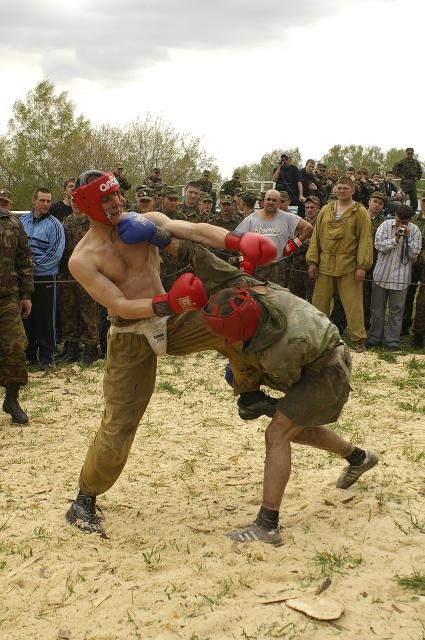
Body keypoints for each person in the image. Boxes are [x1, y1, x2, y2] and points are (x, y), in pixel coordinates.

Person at [64, 170, 278, 533]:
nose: (117, 202)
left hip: (175, 319)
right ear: (86, 206)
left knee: (237, 319)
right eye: (106, 199)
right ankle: (84, 498)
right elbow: (119, 303)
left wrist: (238, 240)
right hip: (132, 333)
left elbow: (194, 231)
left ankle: (249, 393)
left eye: (116, 194)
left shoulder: (145, 222)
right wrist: (170, 302)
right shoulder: (83, 258)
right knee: (120, 422)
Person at [202, 282, 378, 545]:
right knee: (295, 427)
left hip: (327, 373)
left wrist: (252, 394)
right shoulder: (259, 290)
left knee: (278, 433)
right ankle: (359, 458)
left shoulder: (281, 351)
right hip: (318, 356)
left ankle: (267, 526)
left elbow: (288, 381)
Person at [306, 177, 373, 352]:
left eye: (345, 188)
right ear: (335, 189)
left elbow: (365, 240)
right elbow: (316, 237)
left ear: (353, 191)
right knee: (319, 302)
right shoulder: (326, 210)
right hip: (325, 264)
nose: (341, 191)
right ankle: (318, 337)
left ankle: (358, 340)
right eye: (339, 188)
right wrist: (312, 261)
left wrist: (361, 266)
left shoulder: (360, 212)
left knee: (353, 304)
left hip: (349, 264)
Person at [20, 188, 65, 369]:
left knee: (46, 317)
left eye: (48, 201)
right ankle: (30, 355)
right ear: (34, 201)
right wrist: (22, 267)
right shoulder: (22, 222)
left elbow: (55, 253)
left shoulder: (55, 225)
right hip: (24, 279)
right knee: (26, 317)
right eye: (42, 200)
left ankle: (47, 357)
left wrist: (32, 265)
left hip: (46, 277)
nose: (45, 204)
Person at [366, 205, 421, 351]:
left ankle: (392, 342)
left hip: (401, 278)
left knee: (396, 312)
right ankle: (374, 338)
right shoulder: (384, 225)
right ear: (395, 215)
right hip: (381, 275)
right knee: (376, 310)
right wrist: (395, 238)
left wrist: (407, 238)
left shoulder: (415, 230)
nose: (401, 225)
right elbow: (378, 246)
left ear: (409, 220)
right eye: (399, 221)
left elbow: (415, 253)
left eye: (404, 222)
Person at [0, 188, 34, 424]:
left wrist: (26, 294)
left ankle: (11, 399)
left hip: (8, 299)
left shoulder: (13, 223)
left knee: (16, 348)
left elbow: (24, 259)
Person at [234, 189, 312, 286]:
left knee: (278, 297)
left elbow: (308, 227)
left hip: (278, 265)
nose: (271, 202)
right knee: (257, 296)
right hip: (258, 266)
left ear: (279, 203)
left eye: (274, 200)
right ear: (264, 201)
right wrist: (243, 260)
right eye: (268, 199)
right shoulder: (252, 218)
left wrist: (295, 243)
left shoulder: (287, 217)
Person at [57, 199, 100, 364]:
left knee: (89, 310)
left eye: (79, 202)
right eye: (73, 201)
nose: (76, 204)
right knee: (69, 310)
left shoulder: (91, 221)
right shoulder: (65, 221)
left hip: (88, 272)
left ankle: (91, 348)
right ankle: (72, 347)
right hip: (67, 273)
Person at [288, 195, 320, 302]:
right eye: (307, 208)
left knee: (313, 301)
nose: (309, 210)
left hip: (313, 267)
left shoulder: (322, 225)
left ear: (318, 208)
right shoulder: (299, 223)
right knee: (295, 300)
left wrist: (300, 242)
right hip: (296, 267)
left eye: (312, 207)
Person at [393, 148, 423, 213]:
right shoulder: (402, 162)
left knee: (414, 200)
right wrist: (401, 176)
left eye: (411, 153)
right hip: (404, 184)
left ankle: (412, 214)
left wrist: (417, 177)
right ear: (406, 154)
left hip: (413, 184)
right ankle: (401, 213)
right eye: (408, 153)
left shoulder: (416, 162)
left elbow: (420, 170)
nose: (410, 155)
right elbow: (394, 168)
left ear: (413, 154)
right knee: (401, 199)